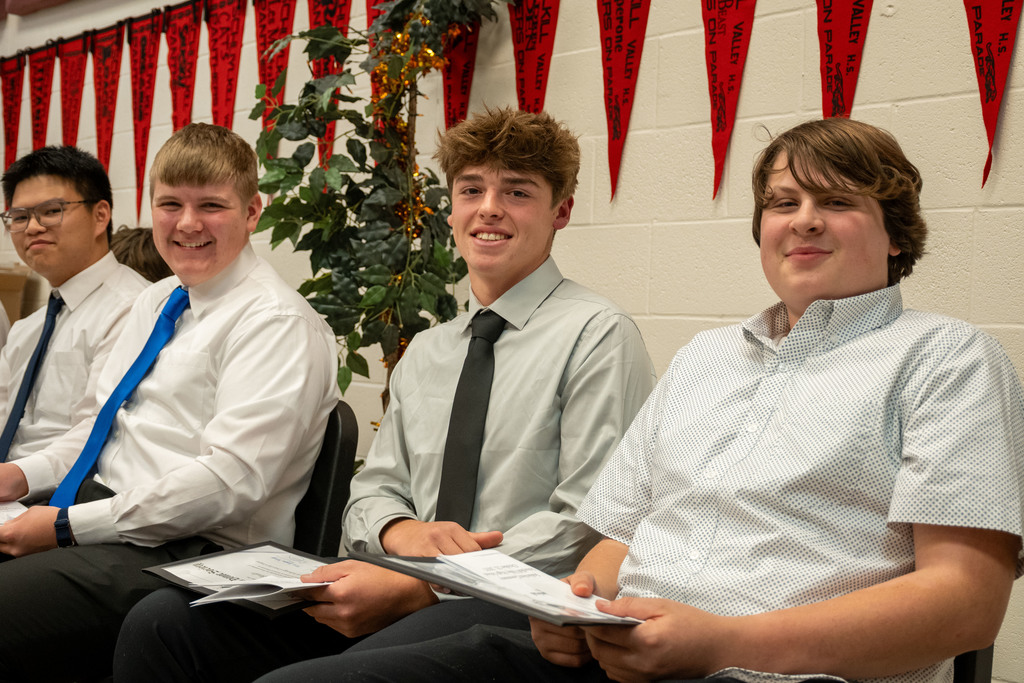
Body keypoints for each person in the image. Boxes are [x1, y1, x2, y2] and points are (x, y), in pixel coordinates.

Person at [269, 118, 1024, 683]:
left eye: (836, 200)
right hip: (619, 654)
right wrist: (575, 606)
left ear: (898, 235)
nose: (803, 219)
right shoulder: (707, 358)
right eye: (782, 201)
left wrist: (724, 640)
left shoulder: (947, 359)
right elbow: (618, 539)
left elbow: (966, 601)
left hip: (775, 672)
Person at [112, 106, 655, 683]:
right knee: (165, 624)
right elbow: (372, 492)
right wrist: (402, 534)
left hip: (517, 605)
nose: (489, 207)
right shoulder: (429, 350)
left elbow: (588, 523)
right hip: (398, 572)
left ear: (561, 211)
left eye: (517, 192)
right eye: (471, 189)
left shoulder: (598, 335)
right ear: (452, 207)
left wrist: (425, 583)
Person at [0, 123, 338, 682]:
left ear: (253, 211)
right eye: (170, 204)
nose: (187, 224)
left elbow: (229, 484)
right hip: (110, 520)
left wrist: (65, 526)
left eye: (211, 205)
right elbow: (94, 431)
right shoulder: (159, 299)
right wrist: (15, 477)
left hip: (192, 551)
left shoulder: (275, 323)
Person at [0, 146, 148, 467]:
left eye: (51, 211)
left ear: (100, 216)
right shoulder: (28, 328)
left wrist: (13, 479)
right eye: (19, 216)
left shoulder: (135, 308)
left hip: (66, 498)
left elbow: (102, 432)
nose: (32, 227)